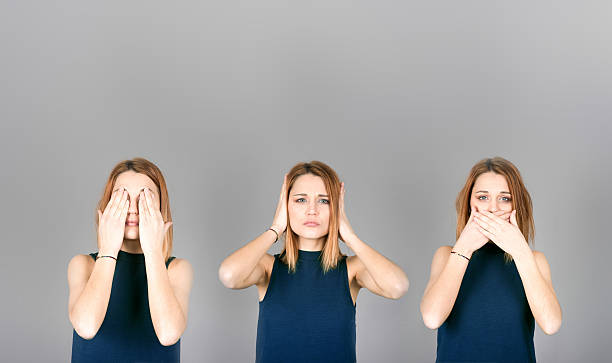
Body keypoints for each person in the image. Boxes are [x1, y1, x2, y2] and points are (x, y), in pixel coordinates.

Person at [219, 160, 409, 363]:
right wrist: (275, 228)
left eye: (324, 201)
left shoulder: (352, 270)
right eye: (300, 200)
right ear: (285, 206)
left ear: (336, 208)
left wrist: (350, 236)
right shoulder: (268, 268)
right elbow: (229, 276)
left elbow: (397, 287)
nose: (312, 210)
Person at [420, 157, 562, 363]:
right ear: (470, 202)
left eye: (505, 198)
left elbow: (551, 324)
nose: (493, 208)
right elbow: (432, 319)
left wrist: (520, 251)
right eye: (483, 197)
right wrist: (464, 247)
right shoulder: (446, 255)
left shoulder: (535, 260)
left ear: (517, 205)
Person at [67, 158, 193, 363]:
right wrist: (108, 249)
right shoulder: (83, 265)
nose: (133, 208)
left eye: (144, 198)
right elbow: (86, 327)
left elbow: (169, 334)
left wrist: (152, 249)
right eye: (122, 198)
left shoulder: (177, 269)